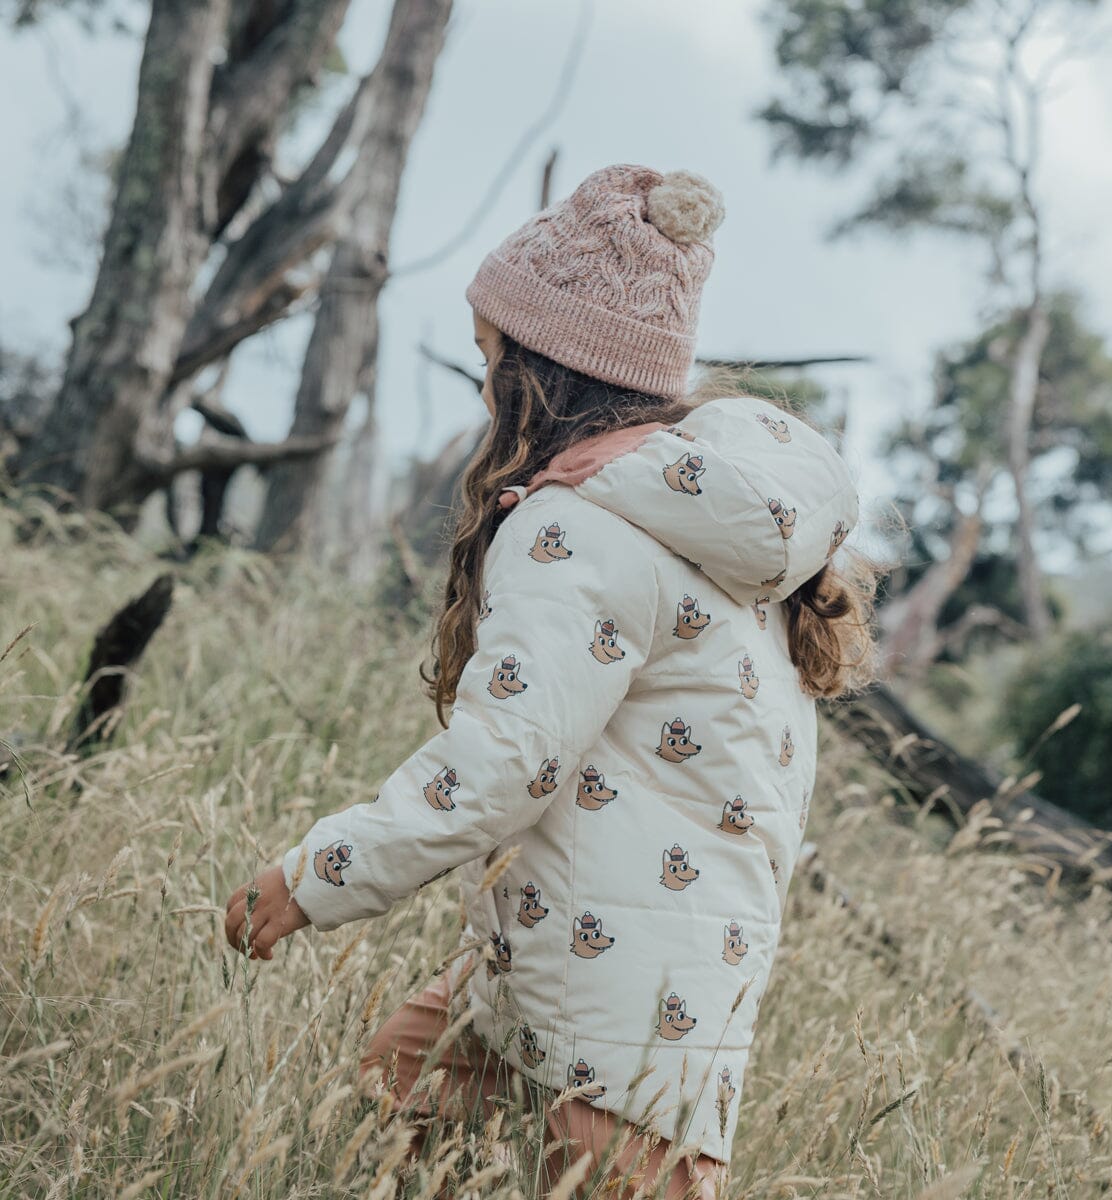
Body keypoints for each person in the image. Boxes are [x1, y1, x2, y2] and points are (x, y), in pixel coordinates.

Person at [225, 163, 882, 1198]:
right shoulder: (722, 542)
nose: (485, 387)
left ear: (536, 376)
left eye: (491, 359)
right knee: (397, 1093)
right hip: (628, 981)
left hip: (603, 1014)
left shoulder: (575, 527)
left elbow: (502, 765)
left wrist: (315, 876)